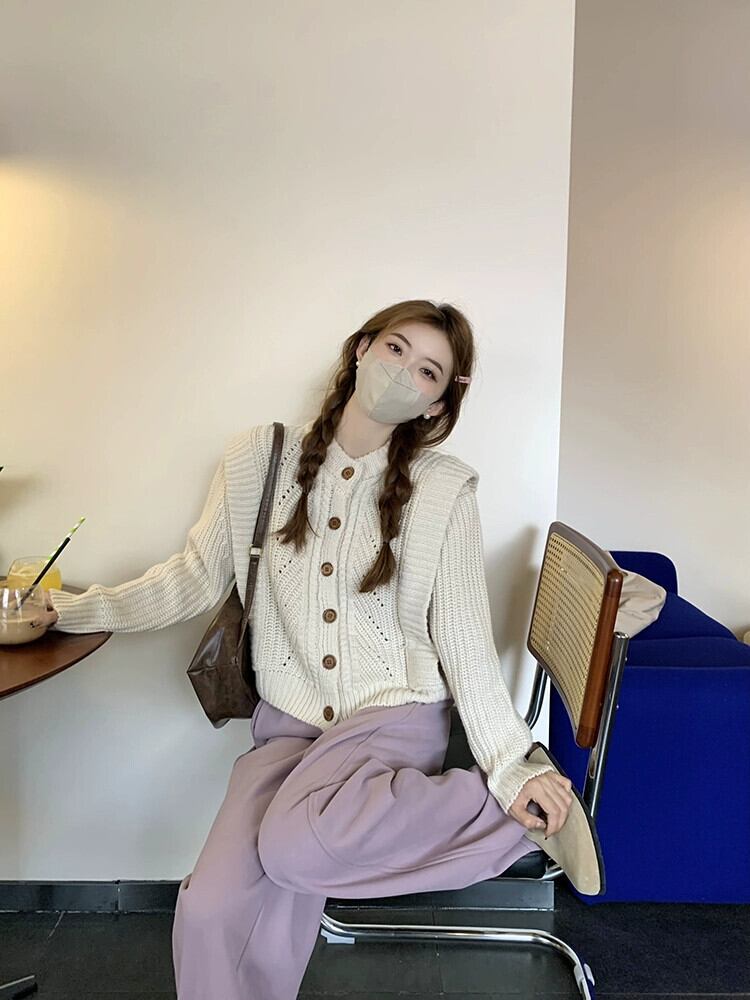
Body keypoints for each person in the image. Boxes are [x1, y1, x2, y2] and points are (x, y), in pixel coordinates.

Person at [33, 299, 590, 1000]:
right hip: (289, 729)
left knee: (293, 846)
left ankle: (516, 814)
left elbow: (467, 644)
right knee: (209, 910)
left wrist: (510, 766)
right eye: (395, 349)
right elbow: (192, 580)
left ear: (436, 403)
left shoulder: (442, 490)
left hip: (392, 722)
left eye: (428, 371)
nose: (403, 373)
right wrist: (69, 608)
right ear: (361, 349)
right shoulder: (258, 460)